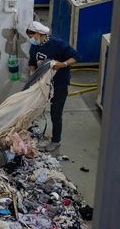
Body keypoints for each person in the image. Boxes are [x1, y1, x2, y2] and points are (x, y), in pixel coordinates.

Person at [26, 20, 80, 152]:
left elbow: (76, 57)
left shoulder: (58, 44)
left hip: (59, 84)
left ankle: (56, 140)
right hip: (43, 84)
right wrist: (34, 75)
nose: (32, 40)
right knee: (33, 107)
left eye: (33, 37)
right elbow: (32, 62)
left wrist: (62, 65)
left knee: (56, 113)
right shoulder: (35, 46)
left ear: (40, 34)